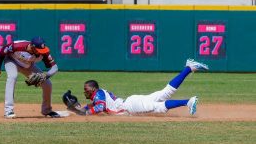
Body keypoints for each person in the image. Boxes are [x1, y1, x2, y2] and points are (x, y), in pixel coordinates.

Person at [71, 59, 208, 116]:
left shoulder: (99, 94)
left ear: (93, 89)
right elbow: (90, 107)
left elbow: (99, 108)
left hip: (130, 106)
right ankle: (189, 67)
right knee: (165, 92)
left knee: (158, 107)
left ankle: (187, 101)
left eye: (87, 89)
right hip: (131, 102)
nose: (85, 91)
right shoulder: (97, 96)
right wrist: (77, 109)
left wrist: (85, 113)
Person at [0, 37, 61, 119]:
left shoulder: (44, 52)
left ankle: (47, 110)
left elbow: (55, 68)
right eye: (38, 49)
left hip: (28, 65)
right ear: (32, 47)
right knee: (12, 76)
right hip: (12, 61)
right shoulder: (18, 46)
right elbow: (3, 51)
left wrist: (45, 76)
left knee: (47, 84)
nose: (41, 52)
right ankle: (8, 111)